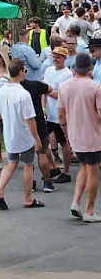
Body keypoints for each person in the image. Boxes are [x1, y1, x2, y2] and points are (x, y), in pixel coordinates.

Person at [0, 59, 45, 210]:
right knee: (28, 165)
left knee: (11, 163)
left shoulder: (1, 91)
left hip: (10, 134)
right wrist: (37, 139)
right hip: (24, 135)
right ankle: (28, 198)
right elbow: (30, 119)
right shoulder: (23, 94)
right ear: (21, 72)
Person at [57, 52, 101, 222]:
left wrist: (67, 133)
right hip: (93, 136)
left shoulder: (64, 86)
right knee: (92, 170)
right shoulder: (95, 87)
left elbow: (61, 115)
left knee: (84, 167)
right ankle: (89, 211)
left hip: (74, 135)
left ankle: (76, 202)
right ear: (90, 68)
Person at [42, 46, 73, 184]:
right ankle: (52, 168)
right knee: (44, 141)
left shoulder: (67, 74)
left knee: (63, 143)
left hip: (61, 114)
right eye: (54, 56)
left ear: (64, 58)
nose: (55, 59)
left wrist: (47, 91)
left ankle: (66, 172)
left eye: (59, 57)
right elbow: (44, 90)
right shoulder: (48, 71)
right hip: (49, 113)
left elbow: (62, 96)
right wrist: (43, 106)